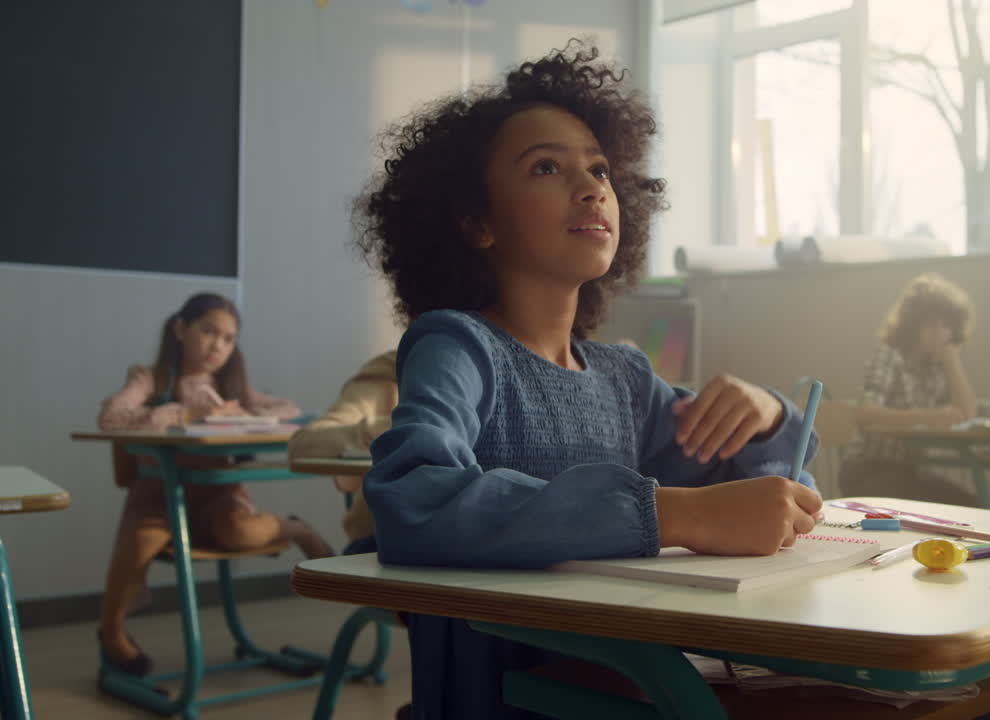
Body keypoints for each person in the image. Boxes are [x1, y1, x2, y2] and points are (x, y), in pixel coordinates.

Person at [355, 41, 822, 719]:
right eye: (546, 167)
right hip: (508, 699)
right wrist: (676, 515)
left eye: (600, 168)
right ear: (476, 221)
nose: (592, 186)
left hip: (637, 678)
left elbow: (764, 489)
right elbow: (409, 499)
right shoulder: (459, 346)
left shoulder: (623, 374)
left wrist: (770, 417)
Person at [97, 292, 333, 676]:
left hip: (219, 496)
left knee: (240, 530)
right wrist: (191, 413)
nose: (217, 345)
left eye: (228, 338)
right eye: (208, 332)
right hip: (158, 498)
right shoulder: (149, 377)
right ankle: (112, 631)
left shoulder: (229, 387)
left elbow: (288, 410)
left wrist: (243, 411)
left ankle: (297, 528)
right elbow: (112, 418)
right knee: (140, 541)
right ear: (180, 329)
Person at [840, 272, 980, 504]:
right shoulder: (889, 355)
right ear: (913, 323)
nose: (938, 332)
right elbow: (865, 414)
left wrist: (952, 362)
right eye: (931, 323)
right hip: (868, 468)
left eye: (945, 325)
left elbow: (968, 413)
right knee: (926, 505)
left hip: (909, 469)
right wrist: (930, 416)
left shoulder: (937, 367)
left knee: (972, 507)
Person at [287, 350, 396, 555]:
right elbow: (303, 445)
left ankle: (301, 534)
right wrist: (399, 427)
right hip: (383, 541)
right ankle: (301, 534)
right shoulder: (394, 370)